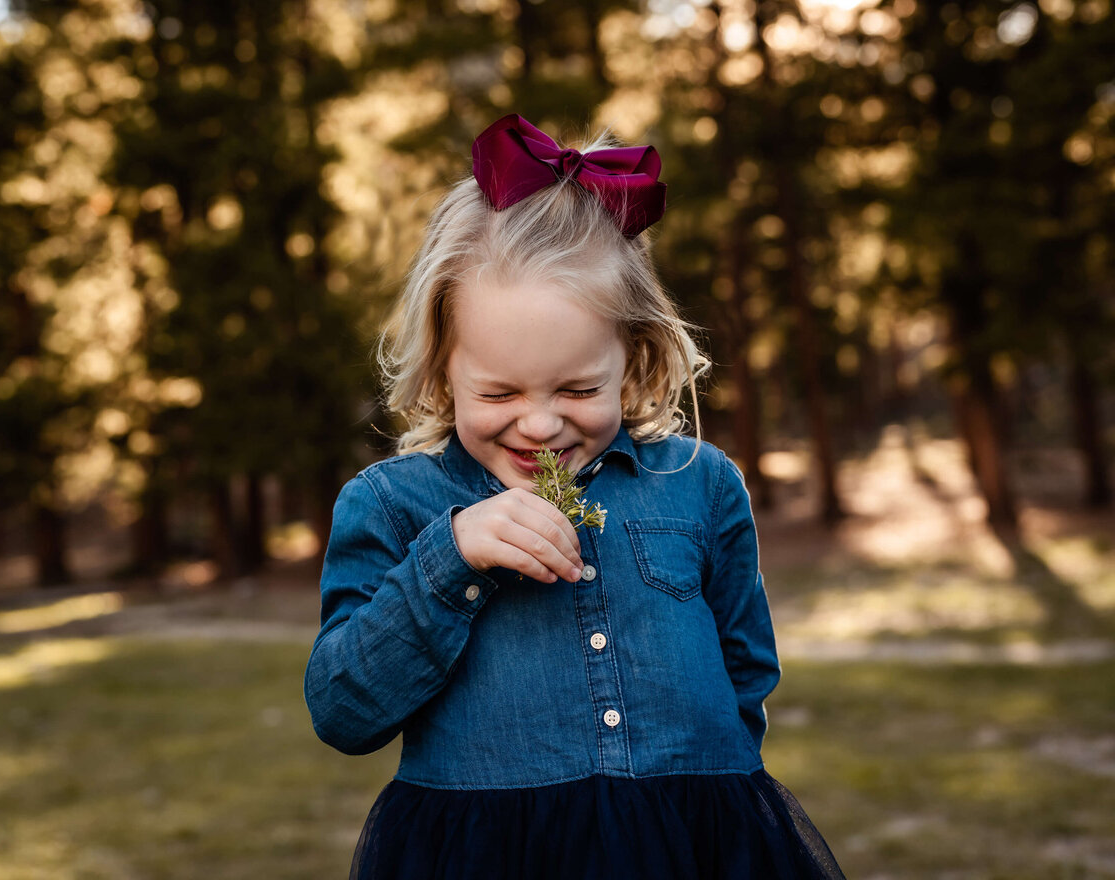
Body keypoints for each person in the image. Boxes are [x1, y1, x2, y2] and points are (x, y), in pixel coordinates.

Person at [304, 114, 845, 880]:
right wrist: (449, 557)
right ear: (441, 370)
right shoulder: (392, 505)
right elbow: (343, 710)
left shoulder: (700, 485)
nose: (541, 422)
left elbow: (744, 675)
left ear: (634, 357)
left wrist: (704, 801)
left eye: (580, 387)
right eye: (497, 391)